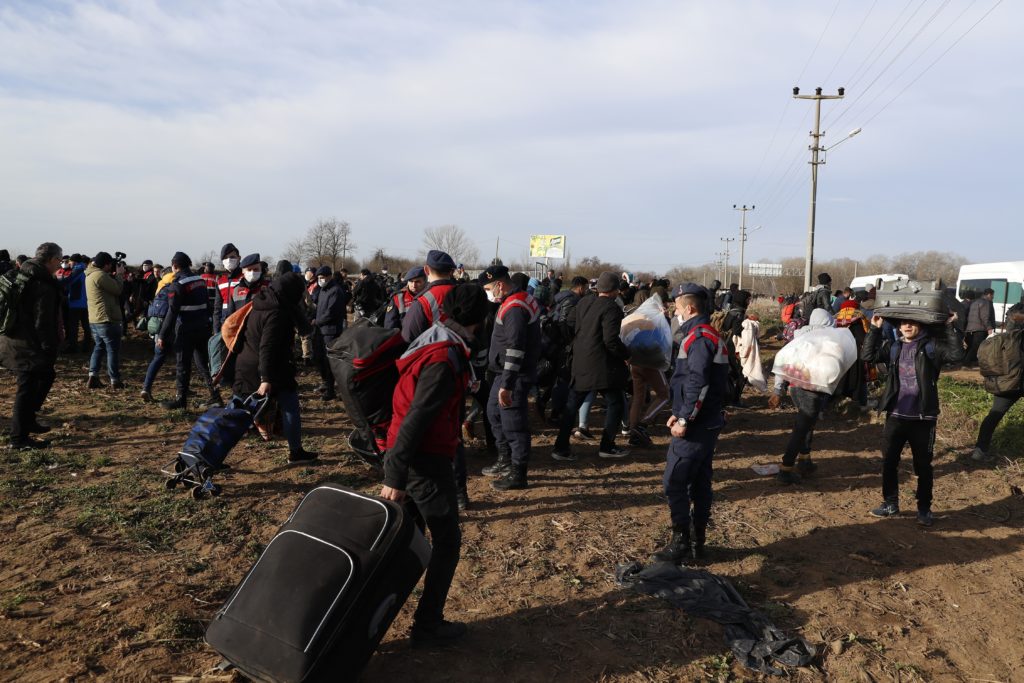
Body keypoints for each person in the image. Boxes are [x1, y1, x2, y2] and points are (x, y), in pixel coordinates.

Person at [380, 284, 489, 646]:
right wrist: (395, 473)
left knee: (404, 540)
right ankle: (427, 625)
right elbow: (418, 416)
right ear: (480, 319)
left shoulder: (435, 337)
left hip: (412, 454)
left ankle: (374, 611)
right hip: (422, 460)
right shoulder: (445, 359)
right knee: (447, 541)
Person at [651, 283, 730, 563]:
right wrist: (680, 410)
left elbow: (699, 381)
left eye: (677, 307)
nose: (675, 313)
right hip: (706, 420)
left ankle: (681, 542)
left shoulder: (699, 337)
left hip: (698, 424)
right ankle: (698, 543)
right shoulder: (704, 334)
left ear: (690, 308)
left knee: (675, 480)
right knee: (699, 482)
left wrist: (685, 417)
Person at [861, 313, 963, 526]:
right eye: (903, 322)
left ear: (920, 324)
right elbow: (868, 356)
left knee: (923, 466)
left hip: (923, 418)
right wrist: (875, 329)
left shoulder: (931, 347)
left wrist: (950, 327)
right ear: (898, 326)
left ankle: (924, 508)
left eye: (912, 322)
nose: (907, 325)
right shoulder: (894, 347)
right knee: (889, 462)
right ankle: (890, 503)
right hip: (895, 416)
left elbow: (956, 355)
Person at [233, 271, 317, 464]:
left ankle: (209, 450)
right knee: (288, 407)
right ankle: (295, 452)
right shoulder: (278, 313)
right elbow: (267, 347)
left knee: (237, 411)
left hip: (247, 364)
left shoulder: (262, 302)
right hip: (268, 368)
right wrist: (265, 379)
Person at [552, 271, 632, 460]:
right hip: (602, 365)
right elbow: (610, 340)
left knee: (572, 406)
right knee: (616, 403)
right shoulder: (612, 308)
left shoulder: (584, 302)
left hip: (580, 361)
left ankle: (560, 448)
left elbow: (569, 322)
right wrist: (627, 354)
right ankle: (607, 446)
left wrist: (581, 341)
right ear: (615, 290)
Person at [478, 265, 541, 490]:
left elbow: (515, 348)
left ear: (500, 285)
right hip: (503, 373)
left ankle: (518, 473)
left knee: (513, 423)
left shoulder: (514, 307)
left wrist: (507, 384)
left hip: (514, 375)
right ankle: (504, 459)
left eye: (487, 288)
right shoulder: (512, 300)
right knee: (493, 413)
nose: (487, 293)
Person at [0, 242, 64, 450]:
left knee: (45, 376)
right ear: (52, 259)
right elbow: (43, 322)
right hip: (28, 344)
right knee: (26, 389)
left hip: (12, 339)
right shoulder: (42, 285)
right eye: (59, 259)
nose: (60, 264)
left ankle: (28, 419)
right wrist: (49, 348)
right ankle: (18, 438)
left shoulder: (20, 274)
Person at [772, 309, 837, 484]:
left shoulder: (799, 338)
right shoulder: (823, 342)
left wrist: (779, 389)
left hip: (795, 388)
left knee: (806, 424)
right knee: (801, 428)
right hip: (811, 390)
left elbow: (783, 362)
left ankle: (804, 460)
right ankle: (786, 469)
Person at [157, 252, 219, 410]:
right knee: (203, 364)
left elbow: (172, 312)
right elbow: (207, 305)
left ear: (175, 266)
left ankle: (181, 400)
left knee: (182, 365)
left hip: (185, 329)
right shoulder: (200, 280)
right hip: (202, 328)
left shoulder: (178, 284)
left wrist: (163, 335)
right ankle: (215, 396)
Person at [970, 303, 1024, 462]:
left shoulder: (1005, 339)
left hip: (1008, 384)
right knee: (994, 415)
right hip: (1017, 382)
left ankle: (979, 450)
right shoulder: (1018, 337)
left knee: (994, 416)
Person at [85, 252, 125, 389]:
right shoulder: (100, 275)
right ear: (106, 264)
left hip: (95, 319)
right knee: (112, 350)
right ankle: (115, 380)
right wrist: (120, 275)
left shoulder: (90, 275)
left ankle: (93, 376)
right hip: (107, 318)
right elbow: (118, 289)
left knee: (99, 347)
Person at [401, 250, 458, 342]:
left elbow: (408, 337)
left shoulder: (423, 300)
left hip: (436, 353)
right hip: (465, 353)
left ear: (426, 270)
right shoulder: (466, 294)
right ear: (451, 271)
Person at [313, 265, 348, 400]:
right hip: (320, 330)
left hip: (331, 331)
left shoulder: (336, 291)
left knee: (328, 362)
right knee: (318, 359)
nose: (320, 280)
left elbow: (331, 313)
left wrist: (317, 321)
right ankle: (326, 383)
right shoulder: (323, 290)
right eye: (319, 278)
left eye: (322, 278)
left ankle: (330, 390)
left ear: (328, 277)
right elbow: (319, 309)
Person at [223, 254, 267, 320]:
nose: (252, 272)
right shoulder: (235, 291)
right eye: (249, 270)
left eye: (256, 269)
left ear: (261, 270)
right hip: (241, 329)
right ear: (243, 271)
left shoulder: (268, 288)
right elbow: (230, 317)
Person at [64, 255, 90, 353]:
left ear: (74, 262)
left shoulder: (77, 270)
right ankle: (87, 346)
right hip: (86, 302)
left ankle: (73, 347)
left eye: (70, 262)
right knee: (86, 326)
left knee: (73, 327)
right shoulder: (86, 269)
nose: (69, 264)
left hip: (76, 302)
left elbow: (68, 281)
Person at [963, 288, 996, 366]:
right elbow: (985, 317)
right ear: (989, 294)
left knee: (972, 346)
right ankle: (965, 363)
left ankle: (971, 361)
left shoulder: (975, 301)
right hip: (980, 328)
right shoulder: (986, 302)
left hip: (971, 328)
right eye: (992, 295)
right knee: (976, 346)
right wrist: (989, 328)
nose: (993, 297)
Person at [215, 243, 243, 333]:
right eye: (225, 258)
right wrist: (216, 330)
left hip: (241, 325)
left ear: (239, 258)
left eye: (232, 257)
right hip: (224, 325)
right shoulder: (220, 281)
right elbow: (217, 308)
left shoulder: (245, 278)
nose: (229, 260)